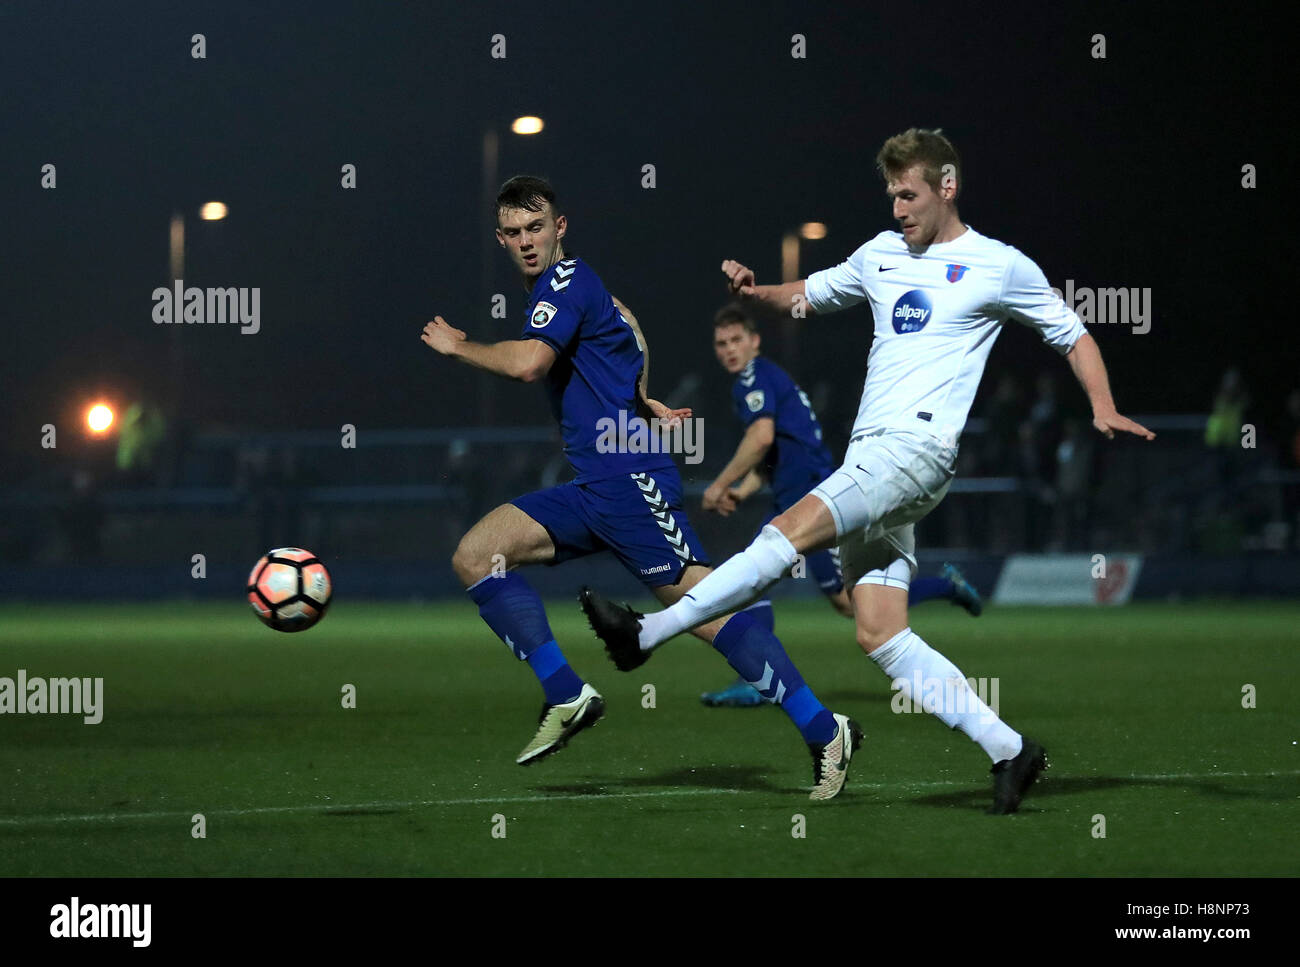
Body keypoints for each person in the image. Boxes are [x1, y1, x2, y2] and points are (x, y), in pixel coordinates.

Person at [582, 129, 1155, 814]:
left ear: (948, 186)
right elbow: (811, 294)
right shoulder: (881, 254)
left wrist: (1102, 404)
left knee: (784, 534)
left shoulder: (996, 264)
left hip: (913, 452)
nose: (897, 208)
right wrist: (758, 289)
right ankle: (1010, 749)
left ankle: (644, 634)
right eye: (891, 194)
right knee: (879, 631)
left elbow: (1073, 332)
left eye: (909, 193)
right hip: (873, 460)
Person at [420, 176, 862, 800]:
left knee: (708, 611)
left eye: (536, 228)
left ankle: (824, 730)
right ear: (500, 237)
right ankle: (566, 694)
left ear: (560, 227)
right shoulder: (566, 289)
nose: (525, 241)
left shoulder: (567, 282)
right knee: (476, 554)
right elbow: (629, 325)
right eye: (514, 232)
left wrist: (459, 346)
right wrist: (642, 397)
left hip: (629, 481)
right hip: (590, 485)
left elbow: (529, 365)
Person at [700, 304, 982, 708]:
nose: (729, 348)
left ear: (754, 341)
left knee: (851, 604)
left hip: (814, 500)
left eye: (736, 339)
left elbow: (761, 438)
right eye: (721, 343)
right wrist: (742, 492)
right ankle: (758, 681)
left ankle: (947, 587)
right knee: (754, 581)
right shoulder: (757, 380)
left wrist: (719, 484)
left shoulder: (755, 377)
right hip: (791, 499)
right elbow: (774, 454)